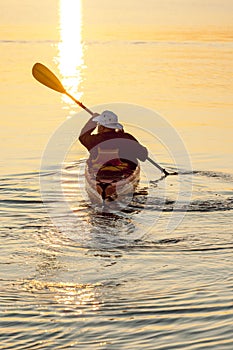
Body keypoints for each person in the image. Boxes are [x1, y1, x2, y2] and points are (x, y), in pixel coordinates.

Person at [79, 110, 148, 177]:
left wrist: (93, 120)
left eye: (98, 125)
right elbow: (143, 156)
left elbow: (82, 136)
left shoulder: (93, 140)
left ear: (102, 127)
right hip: (122, 173)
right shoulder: (127, 138)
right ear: (115, 126)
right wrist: (123, 135)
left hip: (99, 173)